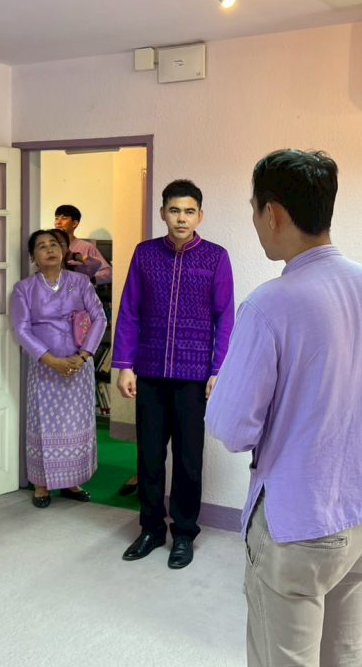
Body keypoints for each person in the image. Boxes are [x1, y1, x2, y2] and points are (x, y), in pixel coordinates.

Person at [206, 149, 362, 667]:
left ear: (273, 213)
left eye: (254, 210)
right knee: (347, 654)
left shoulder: (268, 305)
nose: (256, 223)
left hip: (300, 521)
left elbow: (232, 427)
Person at [113, 179, 235, 569]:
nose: (181, 218)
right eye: (174, 210)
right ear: (163, 213)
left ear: (200, 215)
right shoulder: (145, 254)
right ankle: (151, 528)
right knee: (149, 456)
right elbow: (129, 310)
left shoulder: (215, 257)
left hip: (193, 377)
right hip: (149, 371)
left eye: (189, 211)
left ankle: (184, 533)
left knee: (187, 459)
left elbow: (225, 317)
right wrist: (124, 365)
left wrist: (218, 369)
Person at [11, 230, 107, 507]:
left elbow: (99, 318)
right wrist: (51, 360)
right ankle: (41, 484)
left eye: (54, 244)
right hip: (44, 366)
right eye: (42, 246)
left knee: (76, 422)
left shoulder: (80, 282)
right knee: (43, 424)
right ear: (33, 256)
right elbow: (21, 329)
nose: (50, 249)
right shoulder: (24, 288)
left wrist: (84, 355)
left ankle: (72, 481)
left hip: (79, 364)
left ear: (63, 250)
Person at [54, 204, 112, 285]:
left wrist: (88, 279)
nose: (58, 222)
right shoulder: (49, 246)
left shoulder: (87, 247)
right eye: (56, 218)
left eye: (64, 218)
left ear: (74, 223)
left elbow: (108, 273)